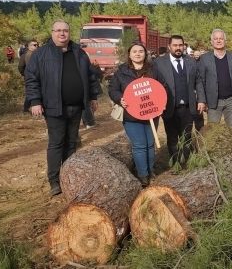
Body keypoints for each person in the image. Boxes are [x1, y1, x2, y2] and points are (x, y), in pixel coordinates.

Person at [24, 20, 100, 196]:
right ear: (52, 33)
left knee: (71, 143)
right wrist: (35, 101)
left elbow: (91, 77)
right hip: (53, 107)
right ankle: (54, 181)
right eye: (58, 30)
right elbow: (31, 79)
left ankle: (68, 177)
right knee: (56, 143)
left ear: (69, 32)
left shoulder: (79, 53)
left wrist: (93, 97)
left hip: (76, 107)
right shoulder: (41, 54)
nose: (62, 34)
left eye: (65, 30)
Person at [109, 42, 157, 186]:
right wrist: (119, 99)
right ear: (129, 55)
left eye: (141, 51)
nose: (138, 54)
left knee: (150, 144)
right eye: (134, 51)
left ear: (145, 54)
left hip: (150, 113)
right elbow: (113, 90)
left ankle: (151, 170)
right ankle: (143, 174)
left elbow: (162, 87)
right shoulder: (121, 71)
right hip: (131, 115)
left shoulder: (153, 70)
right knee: (140, 145)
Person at [152, 35, 200, 166]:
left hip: (188, 107)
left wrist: (200, 100)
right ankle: (175, 163)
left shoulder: (191, 61)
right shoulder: (159, 63)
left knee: (187, 136)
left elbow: (198, 82)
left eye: (180, 45)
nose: (178, 48)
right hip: (169, 107)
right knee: (172, 137)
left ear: (184, 46)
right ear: (169, 47)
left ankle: (187, 162)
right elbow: (154, 85)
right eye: (175, 45)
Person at [196, 29, 232, 127]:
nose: (218, 41)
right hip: (213, 101)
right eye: (216, 39)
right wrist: (201, 100)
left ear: (225, 41)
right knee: (213, 131)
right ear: (212, 42)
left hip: (231, 100)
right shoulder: (205, 58)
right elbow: (200, 81)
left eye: (221, 38)